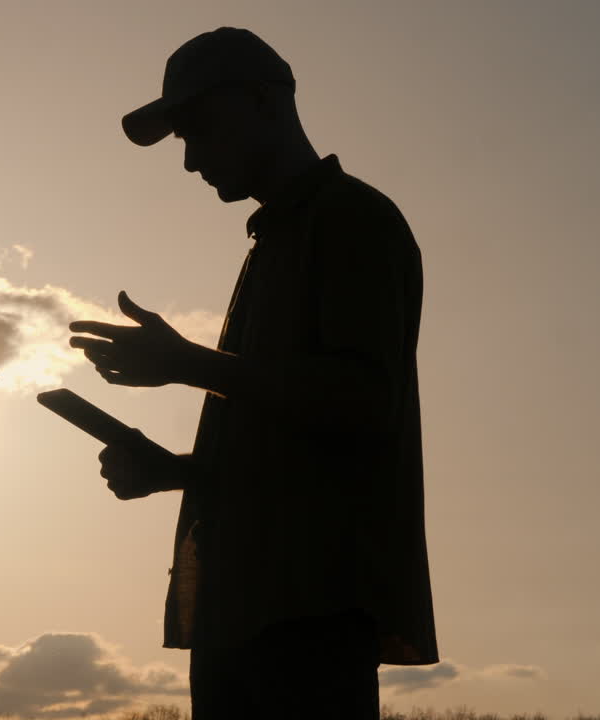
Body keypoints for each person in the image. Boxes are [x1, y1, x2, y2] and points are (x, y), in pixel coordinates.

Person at [69, 28, 438, 718]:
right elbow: (293, 440)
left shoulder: (354, 220)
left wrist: (187, 365)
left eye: (197, 128)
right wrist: (173, 471)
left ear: (265, 103)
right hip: (242, 615)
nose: (189, 160)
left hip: (309, 615)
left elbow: (362, 401)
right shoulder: (276, 241)